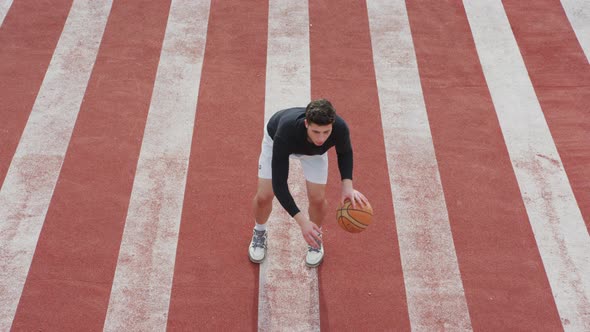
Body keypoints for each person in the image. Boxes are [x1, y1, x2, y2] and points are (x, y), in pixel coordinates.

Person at [248, 99, 367, 267]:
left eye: (326, 132)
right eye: (316, 131)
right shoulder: (285, 132)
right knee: (264, 196)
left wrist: (347, 186)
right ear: (306, 124)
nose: (321, 138)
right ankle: (259, 232)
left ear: (332, 125)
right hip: (276, 141)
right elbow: (279, 184)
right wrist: (302, 222)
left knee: (317, 199)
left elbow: (345, 152)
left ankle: (315, 238)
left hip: (315, 154)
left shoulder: (340, 127)